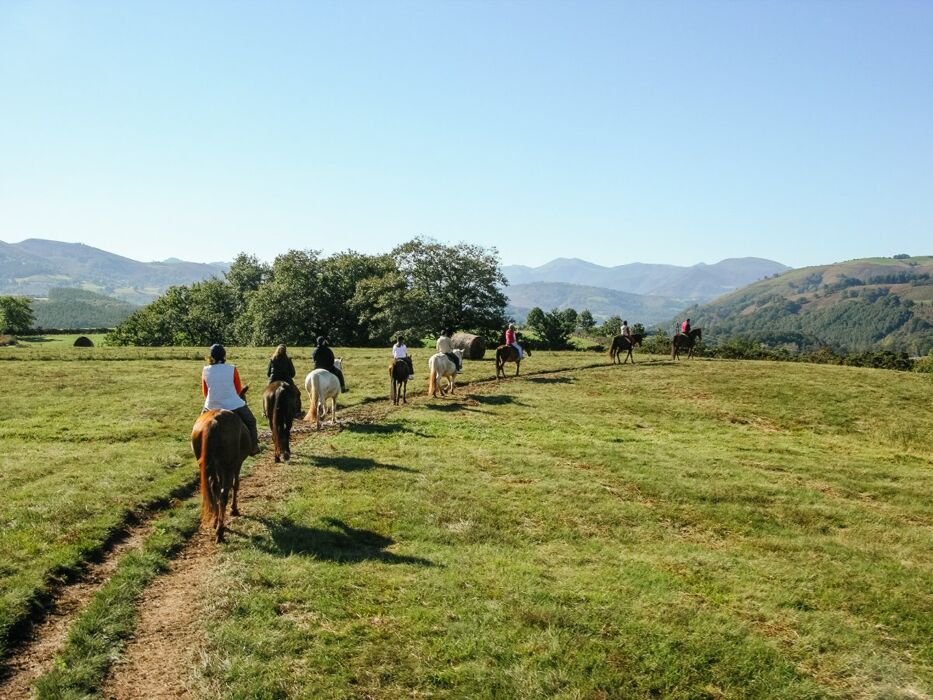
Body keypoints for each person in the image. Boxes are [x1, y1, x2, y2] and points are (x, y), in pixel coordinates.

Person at [201, 344, 260, 455]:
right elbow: (238, 390)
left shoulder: (205, 370)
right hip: (233, 404)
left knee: (198, 426)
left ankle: (199, 452)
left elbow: (205, 392)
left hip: (211, 405)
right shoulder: (232, 369)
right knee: (251, 421)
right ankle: (253, 447)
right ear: (224, 355)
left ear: (211, 356)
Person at [267, 344, 301, 414]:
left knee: (267, 394)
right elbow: (293, 373)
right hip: (286, 380)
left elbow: (268, 373)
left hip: (273, 380)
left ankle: (266, 411)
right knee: (297, 393)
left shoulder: (272, 359)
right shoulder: (288, 360)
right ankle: (297, 411)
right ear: (285, 351)